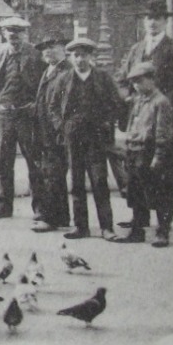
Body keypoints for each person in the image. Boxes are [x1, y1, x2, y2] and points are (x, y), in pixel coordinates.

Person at [115, 0, 173, 190]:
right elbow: (122, 78)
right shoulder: (136, 49)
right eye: (148, 18)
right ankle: (139, 216)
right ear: (144, 21)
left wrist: (161, 101)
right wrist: (127, 96)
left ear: (165, 22)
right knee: (137, 165)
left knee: (165, 168)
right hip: (139, 117)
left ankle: (164, 216)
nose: (152, 22)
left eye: (157, 18)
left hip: (163, 117)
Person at [56, 37, 126, 241]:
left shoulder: (103, 78)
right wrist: (62, 126)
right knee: (76, 183)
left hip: (96, 139)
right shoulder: (64, 79)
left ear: (90, 56)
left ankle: (106, 227)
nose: (80, 59)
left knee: (99, 182)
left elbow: (117, 104)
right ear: (71, 57)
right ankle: (81, 227)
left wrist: (107, 123)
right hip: (73, 138)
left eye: (84, 55)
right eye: (76, 55)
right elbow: (52, 106)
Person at [0, 16, 45, 221]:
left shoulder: (36, 55)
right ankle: (4, 206)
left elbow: (45, 85)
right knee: (4, 162)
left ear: (24, 34)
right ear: (4, 34)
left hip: (27, 115)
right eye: (10, 32)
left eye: (18, 33)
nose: (14, 36)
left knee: (34, 161)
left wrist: (36, 105)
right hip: (5, 115)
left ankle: (40, 207)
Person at [119, 61, 173, 246]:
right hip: (134, 150)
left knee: (158, 194)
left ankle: (162, 231)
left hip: (149, 151)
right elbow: (130, 125)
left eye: (140, 80)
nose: (137, 85)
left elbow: (163, 133)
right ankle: (137, 230)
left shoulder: (160, 102)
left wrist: (158, 156)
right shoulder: (137, 100)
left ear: (152, 80)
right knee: (136, 193)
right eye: (134, 82)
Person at [30, 36, 73, 233]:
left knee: (53, 174)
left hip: (56, 132)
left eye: (53, 47)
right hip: (43, 130)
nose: (48, 51)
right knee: (51, 173)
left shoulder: (67, 71)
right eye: (44, 48)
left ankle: (50, 218)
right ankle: (62, 217)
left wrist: (61, 129)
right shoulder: (48, 70)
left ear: (64, 49)